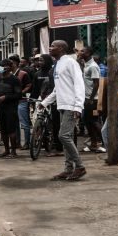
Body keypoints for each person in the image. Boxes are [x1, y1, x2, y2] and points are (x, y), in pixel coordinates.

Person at [40, 41, 86, 181]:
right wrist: (45, 102)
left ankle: (79, 166)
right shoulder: (58, 64)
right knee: (67, 138)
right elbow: (57, 89)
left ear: (61, 48)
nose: (50, 48)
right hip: (62, 105)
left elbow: (79, 84)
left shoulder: (71, 63)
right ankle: (68, 169)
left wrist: (78, 106)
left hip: (71, 106)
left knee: (63, 136)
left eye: (53, 46)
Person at [97, 70, 118, 162]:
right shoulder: (109, 81)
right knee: (108, 131)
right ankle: (114, 152)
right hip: (114, 109)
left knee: (116, 131)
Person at [0, 60, 23, 158]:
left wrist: (6, 97)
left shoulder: (14, 79)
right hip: (1, 107)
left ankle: (13, 152)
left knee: (11, 129)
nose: (3, 68)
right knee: (3, 130)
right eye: (2, 66)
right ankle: (6, 150)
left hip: (11, 108)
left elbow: (18, 94)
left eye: (6, 66)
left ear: (10, 67)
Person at [79, 45, 103, 153]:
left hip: (93, 99)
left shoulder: (93, 66)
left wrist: (91, 98)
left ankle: (104, 143)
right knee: (87, 121)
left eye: (82, 51)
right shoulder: (85, 65)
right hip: (86, 98)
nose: (80, 53)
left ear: (88, 53)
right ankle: (93, 144)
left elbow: (96, 83)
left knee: (94, 121)